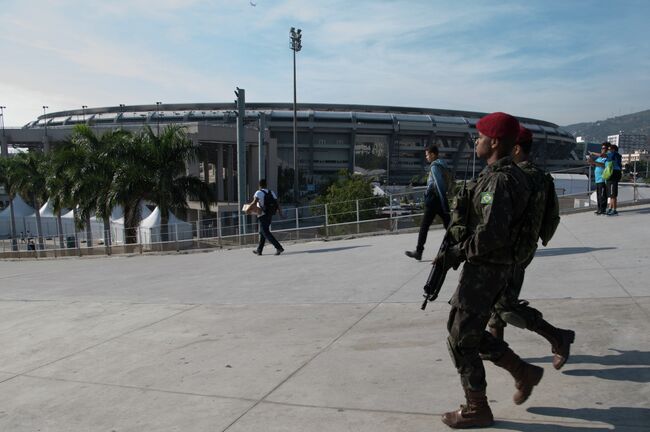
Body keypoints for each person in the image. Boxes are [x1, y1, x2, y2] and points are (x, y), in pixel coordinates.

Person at [436, 112, 542, 429]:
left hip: (486, 271)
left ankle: (477, 407)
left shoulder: (498, 181)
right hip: (490, 269)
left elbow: (492, 234)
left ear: (494, 142)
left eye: (480, 137)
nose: (476, 142)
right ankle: (522, 371)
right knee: (461, 330)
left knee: (460, 340)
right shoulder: (499, 176)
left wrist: (456, 252)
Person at [487, 126, 575, 371]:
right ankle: (496, 347)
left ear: (515, 148)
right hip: (522, 247)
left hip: (511, 251)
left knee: (505, 305)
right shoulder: (540, 175)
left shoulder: (517, 176)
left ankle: (558, 337)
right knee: (498, 297)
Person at [405, 144, 451, 260]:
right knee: (448, 224)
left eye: (427, 155)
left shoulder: (434, 166)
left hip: (434, 200)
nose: (426, 157)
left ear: (433, 154)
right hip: (439, 199)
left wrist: (444, 203)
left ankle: (419, 251)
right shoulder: (443, 165)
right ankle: (458, 244)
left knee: (424, 226)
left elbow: (439, 185)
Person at [246, 179, 284, 256]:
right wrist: (280, 213)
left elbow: (254, 202)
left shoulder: (258, 192)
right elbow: (277, 203)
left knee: (265, 232)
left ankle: (279, 247)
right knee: (262, 232)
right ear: (266, 185)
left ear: (259, 185)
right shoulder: (271, 192)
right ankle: (259, 250)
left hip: (262, 215)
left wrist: (247, 209)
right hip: (269, 214)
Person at [587, 143, 609, 215]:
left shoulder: (607, 157)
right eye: (602, 148)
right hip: (598, 179)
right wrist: (590, 161)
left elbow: (603, 165)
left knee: (602, 195)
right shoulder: (599, 158)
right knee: (599, 195)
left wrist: (594, 162)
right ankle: (599, 209)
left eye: (604, 148)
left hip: (603, 179)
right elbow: (595, 164)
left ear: (607, 149)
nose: (602, 149)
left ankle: (603, 209)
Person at [606, 144, 623, 215]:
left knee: (613, 194)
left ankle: (614, 209)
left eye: (610, 149)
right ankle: (610, 208)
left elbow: (603, 155)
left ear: (613, 149)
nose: (608, 151)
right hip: (611, 175)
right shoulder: (612, 155)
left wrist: (593, 154)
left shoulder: (615, 155)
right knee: (611, 194)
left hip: (614, 175)